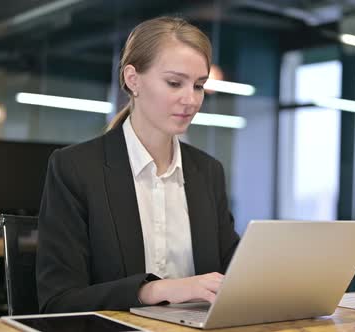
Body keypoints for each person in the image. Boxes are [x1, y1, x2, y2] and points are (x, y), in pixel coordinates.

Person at [36, 16, 240, 313]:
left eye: (199, 86)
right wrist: (152, 290)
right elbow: (58, 302)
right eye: (174, 83)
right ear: (133, 80)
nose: (191, 100)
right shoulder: (75, 169)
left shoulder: (208, 172)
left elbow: (232, 274)